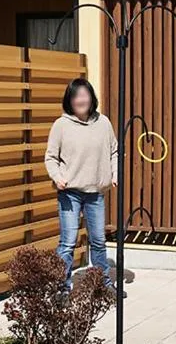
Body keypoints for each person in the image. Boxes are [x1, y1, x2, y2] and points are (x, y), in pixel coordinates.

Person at [45, 78, 120, 293]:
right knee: (68, 243)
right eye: (76, 95)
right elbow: (51, 157)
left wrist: (114, 174)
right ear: (70, 100)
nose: (81, 99)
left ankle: (103, 285)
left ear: (91, 98)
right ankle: (61, 288)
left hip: (95, 193)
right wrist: (57, 176)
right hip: (70, 193)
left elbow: (114, 151)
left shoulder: (103, 122)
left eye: (84, 95)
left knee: (98, 242)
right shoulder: (61, 125)